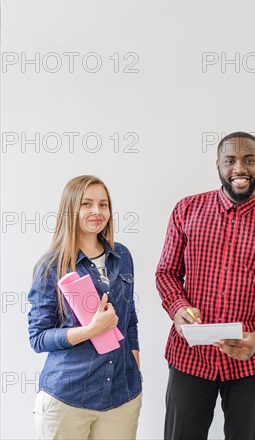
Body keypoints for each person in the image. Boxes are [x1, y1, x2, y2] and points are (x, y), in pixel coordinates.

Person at [156, 131, 255, 440]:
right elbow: (167, 272)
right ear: (218, 165)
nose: (239, 168)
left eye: (248, 160)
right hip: (191, 356)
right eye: (230, 161)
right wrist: (178, 308)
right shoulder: (187, 210)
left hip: (251, 363)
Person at [28, 175, 142, 440]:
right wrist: (91, 330)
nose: (97, 211)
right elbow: (38, 338)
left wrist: (134, 362)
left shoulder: (122, 256)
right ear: (71, 209)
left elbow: (130, 318)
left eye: (103, 204)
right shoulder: (51, 266)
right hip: (67, 399)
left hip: (121, 398)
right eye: (87, 204)